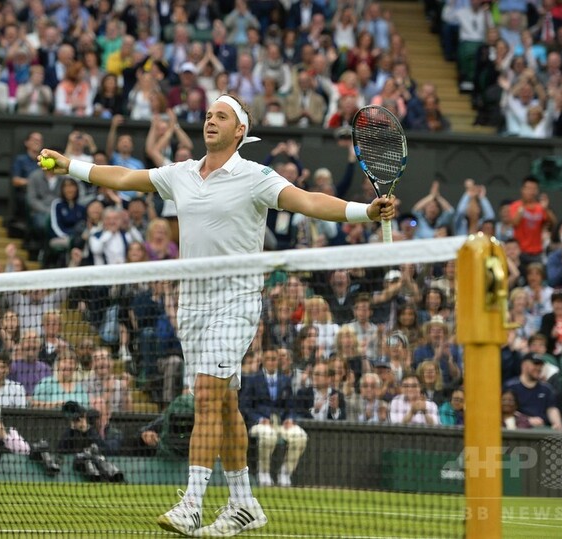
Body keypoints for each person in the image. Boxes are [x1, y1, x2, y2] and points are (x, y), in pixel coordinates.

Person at [39, 93, 394, 537]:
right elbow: (126, 177)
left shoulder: (256, 177)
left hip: (236, 302)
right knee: (224, 404)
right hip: (192, 306)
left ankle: (191, 504)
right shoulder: (182, 173)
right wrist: (69, 164)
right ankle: (244, 503)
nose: (210, 120)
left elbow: (307, 201)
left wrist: (363, 212)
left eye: (220, 116)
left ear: (240, 130)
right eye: (208, 115)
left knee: (206, 396)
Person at [239, 349, 308, 488]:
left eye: (274, 359)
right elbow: (245, 406)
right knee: (268, 435)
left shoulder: (285, 380)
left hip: (281, 423)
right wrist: (259, 419)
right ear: (263, 361)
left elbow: (291, 406)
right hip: (259, 423)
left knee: (301, 436)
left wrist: (290, 418)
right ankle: (263, 472)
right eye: (268, 359)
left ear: (278, 361)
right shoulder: (253, 380)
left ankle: (285, 473)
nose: (271, 362)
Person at [503, 353, 562, 430]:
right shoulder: (511, 386)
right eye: (535, 364)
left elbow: (551, 409)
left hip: (542, 430)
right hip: (517, 429)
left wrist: (557, 424)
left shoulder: (546, 389)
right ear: (524, 365)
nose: (539, 368)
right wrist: (527, 420)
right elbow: (506, 410)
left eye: (541, 365)